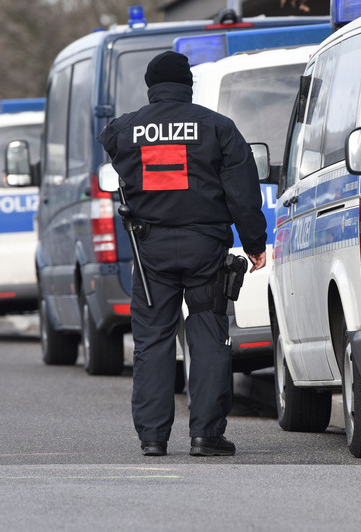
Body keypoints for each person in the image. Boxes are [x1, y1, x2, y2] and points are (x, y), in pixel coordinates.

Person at [97, 50, 267, 457]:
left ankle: (152, 438)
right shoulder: (218, 128)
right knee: (208, 335)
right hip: (205, 248)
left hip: (150, 250)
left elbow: (112, 151)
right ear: (187, 86)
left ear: (151, 88)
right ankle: (206, 435)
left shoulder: (125, 129)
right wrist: (255, 243)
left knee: (152, 340)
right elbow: (242, 193)